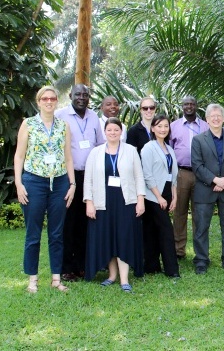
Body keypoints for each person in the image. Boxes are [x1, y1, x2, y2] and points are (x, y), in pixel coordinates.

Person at [15, 86, 76, 293]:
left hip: (59, 183)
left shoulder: (63, 126)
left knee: (57, 233)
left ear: (56, 101)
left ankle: (56, 279)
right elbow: (19, 156)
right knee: (33, 234)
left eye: (52, 98)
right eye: (45, 98)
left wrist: (72, 184)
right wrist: (18, 183)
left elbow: (68, 157)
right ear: (39, 101)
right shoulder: (28, 124)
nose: (49, 102)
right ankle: (32, 279)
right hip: (34, 182)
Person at [84, 117, 146, 292]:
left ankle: (124, 279)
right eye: (109, 130)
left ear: (121, 132)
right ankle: (112, 276)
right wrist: (89, 202)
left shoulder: (131, 151)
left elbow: (139, 176)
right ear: (105, 132)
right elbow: (87, 180)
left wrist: (140, 199)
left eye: (116, 130)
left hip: (125, 201)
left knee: (124, 238)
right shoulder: (95, 152)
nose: (113, 133)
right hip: (102, 202)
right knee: (108, 238)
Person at [55, 83, 105, 282]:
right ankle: (66, 267)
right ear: (70, 95)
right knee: (68, 222)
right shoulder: (61, 116)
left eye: (85, 94)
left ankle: (82, 266)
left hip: (90, 176)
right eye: (78, 94)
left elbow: (100, 144)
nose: (82, 98)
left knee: (86, 222)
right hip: (68, 177)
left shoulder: (94, 117)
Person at [191, 104, 224, 273]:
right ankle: (201, 260)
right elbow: (197, 165)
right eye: (212, 116)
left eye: (218, 115)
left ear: (223, 118)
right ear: (206, 119)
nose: (215, 118)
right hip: (205, 190)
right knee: (201, 228)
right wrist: (215, 180)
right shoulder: (198, 140)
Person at [169, 96, 209, 259]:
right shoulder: (173, 126)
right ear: (182, 106)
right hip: (181, 173)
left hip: (201, 174)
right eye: (186, 104)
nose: (189, 106)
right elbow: (169, 150)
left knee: (200, 213)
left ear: (197, 106)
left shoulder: (205, 126)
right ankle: (179, 250)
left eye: (192, 103)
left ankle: (200, 252)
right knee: (179, 212)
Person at [141, 114, 180, 278]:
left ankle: (151, 266)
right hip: (153, 195)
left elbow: (173, 175)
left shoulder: (169, 148)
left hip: (167, 192)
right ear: (152, 129)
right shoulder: (148, 148)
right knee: (166, 230)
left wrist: (175, 196)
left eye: (165, 126)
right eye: (159, 126)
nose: (163, 129)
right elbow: (147, 175)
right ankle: (172, 270)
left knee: (151, 230)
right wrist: (159, 197)